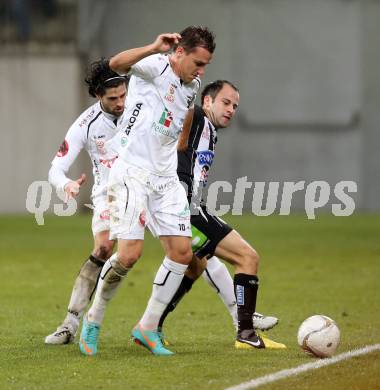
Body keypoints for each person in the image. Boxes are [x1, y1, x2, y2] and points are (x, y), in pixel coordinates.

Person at [79, 26, 216, 356]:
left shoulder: (192, 85)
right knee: (129, 254)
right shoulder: (156, 64)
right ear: (180, 52)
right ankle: (93, 320)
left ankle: (147, 327)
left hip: (165, 178)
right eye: (198, 63)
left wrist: (179, 143)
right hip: (131, 172)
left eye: (205, 65)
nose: (201, 71)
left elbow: (182, 113)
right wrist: (153, 45)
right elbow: (115, 64)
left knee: (183, 253)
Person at [154, 80, 286, 350]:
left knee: (196, 265)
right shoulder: (198, 117)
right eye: (226, 102)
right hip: (185, 209)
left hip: (187, 207)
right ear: (207, 101)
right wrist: (187, 83)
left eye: (235, 106)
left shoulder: (210, 131)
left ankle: (150, 326)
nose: (231, 109)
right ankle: (246, 333)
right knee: (247, 257)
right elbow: (183, 110)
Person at [45, 58, 128, 344]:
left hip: (149, 188)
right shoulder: (85, 124)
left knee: (187, 248)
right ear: (98, 96)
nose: (120, 103)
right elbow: (55, 169)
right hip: (109, 193)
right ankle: (69, 324)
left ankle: (240, 317)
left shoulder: (140, 109)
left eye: (123, 95)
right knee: (104, 248)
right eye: (113, 98)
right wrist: (65, 183)